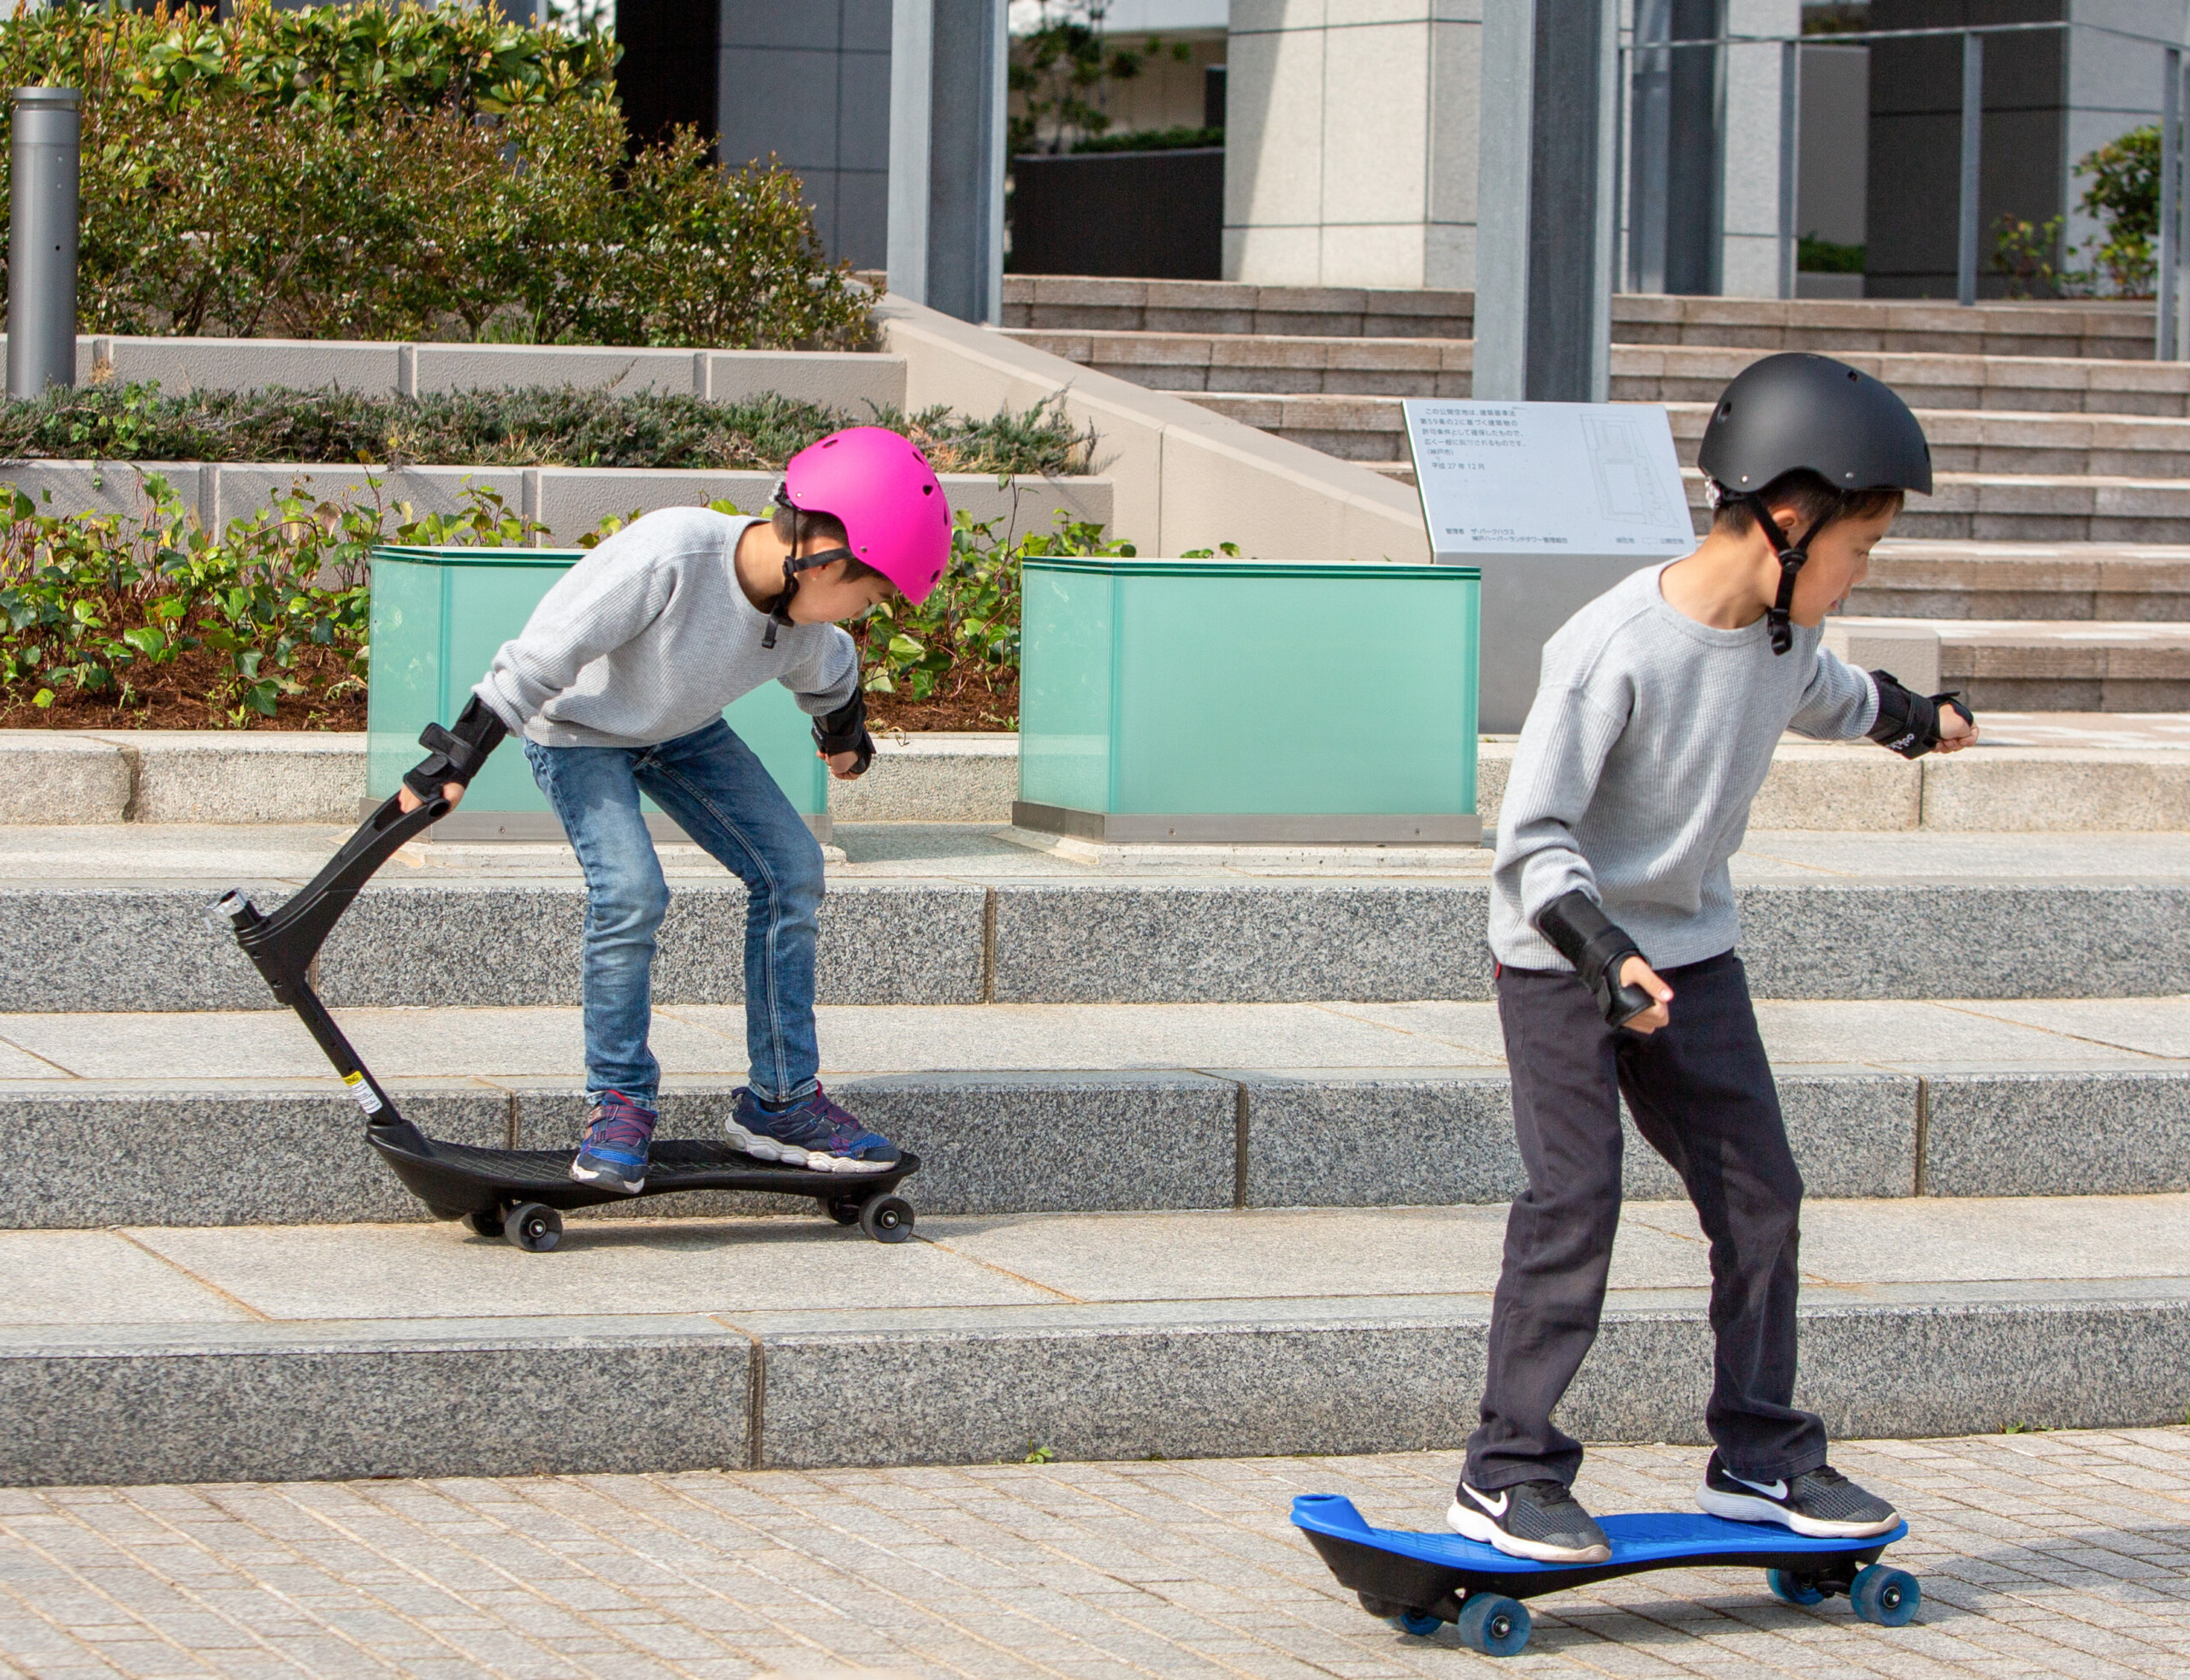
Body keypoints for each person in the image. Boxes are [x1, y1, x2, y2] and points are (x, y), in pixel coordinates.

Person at [1448, 353, 1975, 1565]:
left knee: (1761, 1199)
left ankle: (1760, 1454)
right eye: (1864, 547)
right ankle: (1506, 1469)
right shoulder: (1612, 649)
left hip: (1696, 953)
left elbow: (1834, 693)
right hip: (1560, 956)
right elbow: (1528, 842)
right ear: (1791, 519)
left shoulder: (1786, 639)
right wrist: (1603, 958)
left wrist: (1914, 717)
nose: (1862, 572)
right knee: (1574, 1202)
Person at [396, 426, 951, 1195]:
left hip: (682, 736)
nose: (863, 611)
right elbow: (542, 653)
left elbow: (834, 676)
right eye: (870, 592)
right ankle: (619, 1103)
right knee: (632, 892)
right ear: (823, 552)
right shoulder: (672, 553)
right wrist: (456, 758)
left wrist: (845, 739)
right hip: (580, 733)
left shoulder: (804, 624)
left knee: (792, 869)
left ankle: (782, 1103)